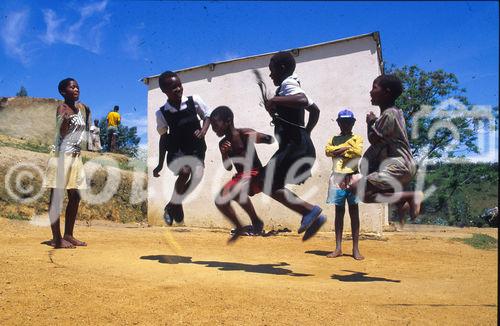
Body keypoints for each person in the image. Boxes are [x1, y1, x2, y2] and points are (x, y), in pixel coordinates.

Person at [262, 51, 325, 241]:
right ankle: (309, 212)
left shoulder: (288, 84)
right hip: (298, 145)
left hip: (294, 147)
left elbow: (303, 101)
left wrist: (274, 100)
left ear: (281, 69)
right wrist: (308, 131)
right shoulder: (289, 85)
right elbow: (315, 110)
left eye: (272, 70)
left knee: (266, 182)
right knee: (270, 183)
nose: (270, 75)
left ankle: (310, 211)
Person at [349, 74, 424, 223]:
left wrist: (370, 123)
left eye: (374, 88)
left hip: (398, 165)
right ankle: (401, 200)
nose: (370, 92)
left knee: (357, 186)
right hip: (401, 166)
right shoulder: (393, 114)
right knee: (365, 195)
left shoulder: (389, 114)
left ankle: (411, 196)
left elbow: (373, 139)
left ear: (386, 92)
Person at [153, 71, 211, 226]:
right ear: (164, 91)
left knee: (197, 176)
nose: (178, 89)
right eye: (173, 88)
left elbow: (207, 116)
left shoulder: (194, 101)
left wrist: (203, 131)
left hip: (196, 148)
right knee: (185, 172)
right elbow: (164, 138)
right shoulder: (162, 113)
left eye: (179, 85)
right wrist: (159, 164)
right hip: (176, 151)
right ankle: (176, 205)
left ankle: (172, 205)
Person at [210, 106, 274, 242]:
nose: (213, 129)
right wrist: (224, 154)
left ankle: (250, 224)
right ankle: (252, 223)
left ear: (228, 121)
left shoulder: (244, 134)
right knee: (220, 201)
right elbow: (227, 167)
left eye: (215, 125)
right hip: (241, 177)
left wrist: (258, 136)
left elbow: (270, 139)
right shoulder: (223, 143)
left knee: (233, 191)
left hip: (255, 173)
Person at [43, 78, 89, 249]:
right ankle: (56, 238)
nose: (76, 88)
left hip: (75, 157)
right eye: (72, 87)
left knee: (75, 196)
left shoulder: (79, 110)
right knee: (56, 197)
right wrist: (65, 120)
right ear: (63, 92)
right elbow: (61, 133)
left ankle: (68, 234)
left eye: (77, 86)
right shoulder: (62, 108)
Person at [324, 109, 364, 260]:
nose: (345, 124)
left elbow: (358, 152)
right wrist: (346, 148)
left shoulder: (358, 138)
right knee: (339, 212)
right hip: (337, 178)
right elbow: (327, 151)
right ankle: (338, 247)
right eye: (343, 122)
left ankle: (355, 248)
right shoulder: (333, 138)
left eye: (348, 122)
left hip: (353, 177)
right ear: (339, 123)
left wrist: (339, 151)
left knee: (354, 212)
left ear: (353, 123)